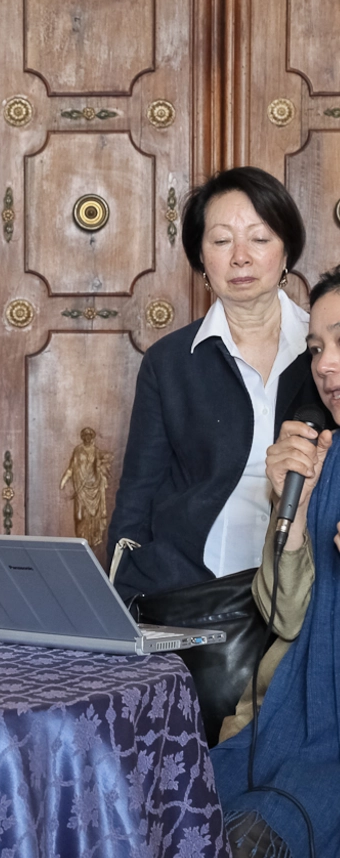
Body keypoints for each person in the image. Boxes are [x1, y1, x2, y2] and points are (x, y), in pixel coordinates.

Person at [211, 265, 340, 858]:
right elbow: (286, 618)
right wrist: (288, 524)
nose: (325, 364)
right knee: (178, 811)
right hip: (300, 722)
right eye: (317, 346)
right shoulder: (325, 460)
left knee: (256, 844)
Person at [108, 166, 320, 601]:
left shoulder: (325, 352)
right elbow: (137, 498)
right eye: (222, 241)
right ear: (201, 258)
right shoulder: (169, 362)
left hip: (303, 588)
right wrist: (124, 594)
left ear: (286, 251)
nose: (240, 257)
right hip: (190, 594)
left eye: (259, 239)